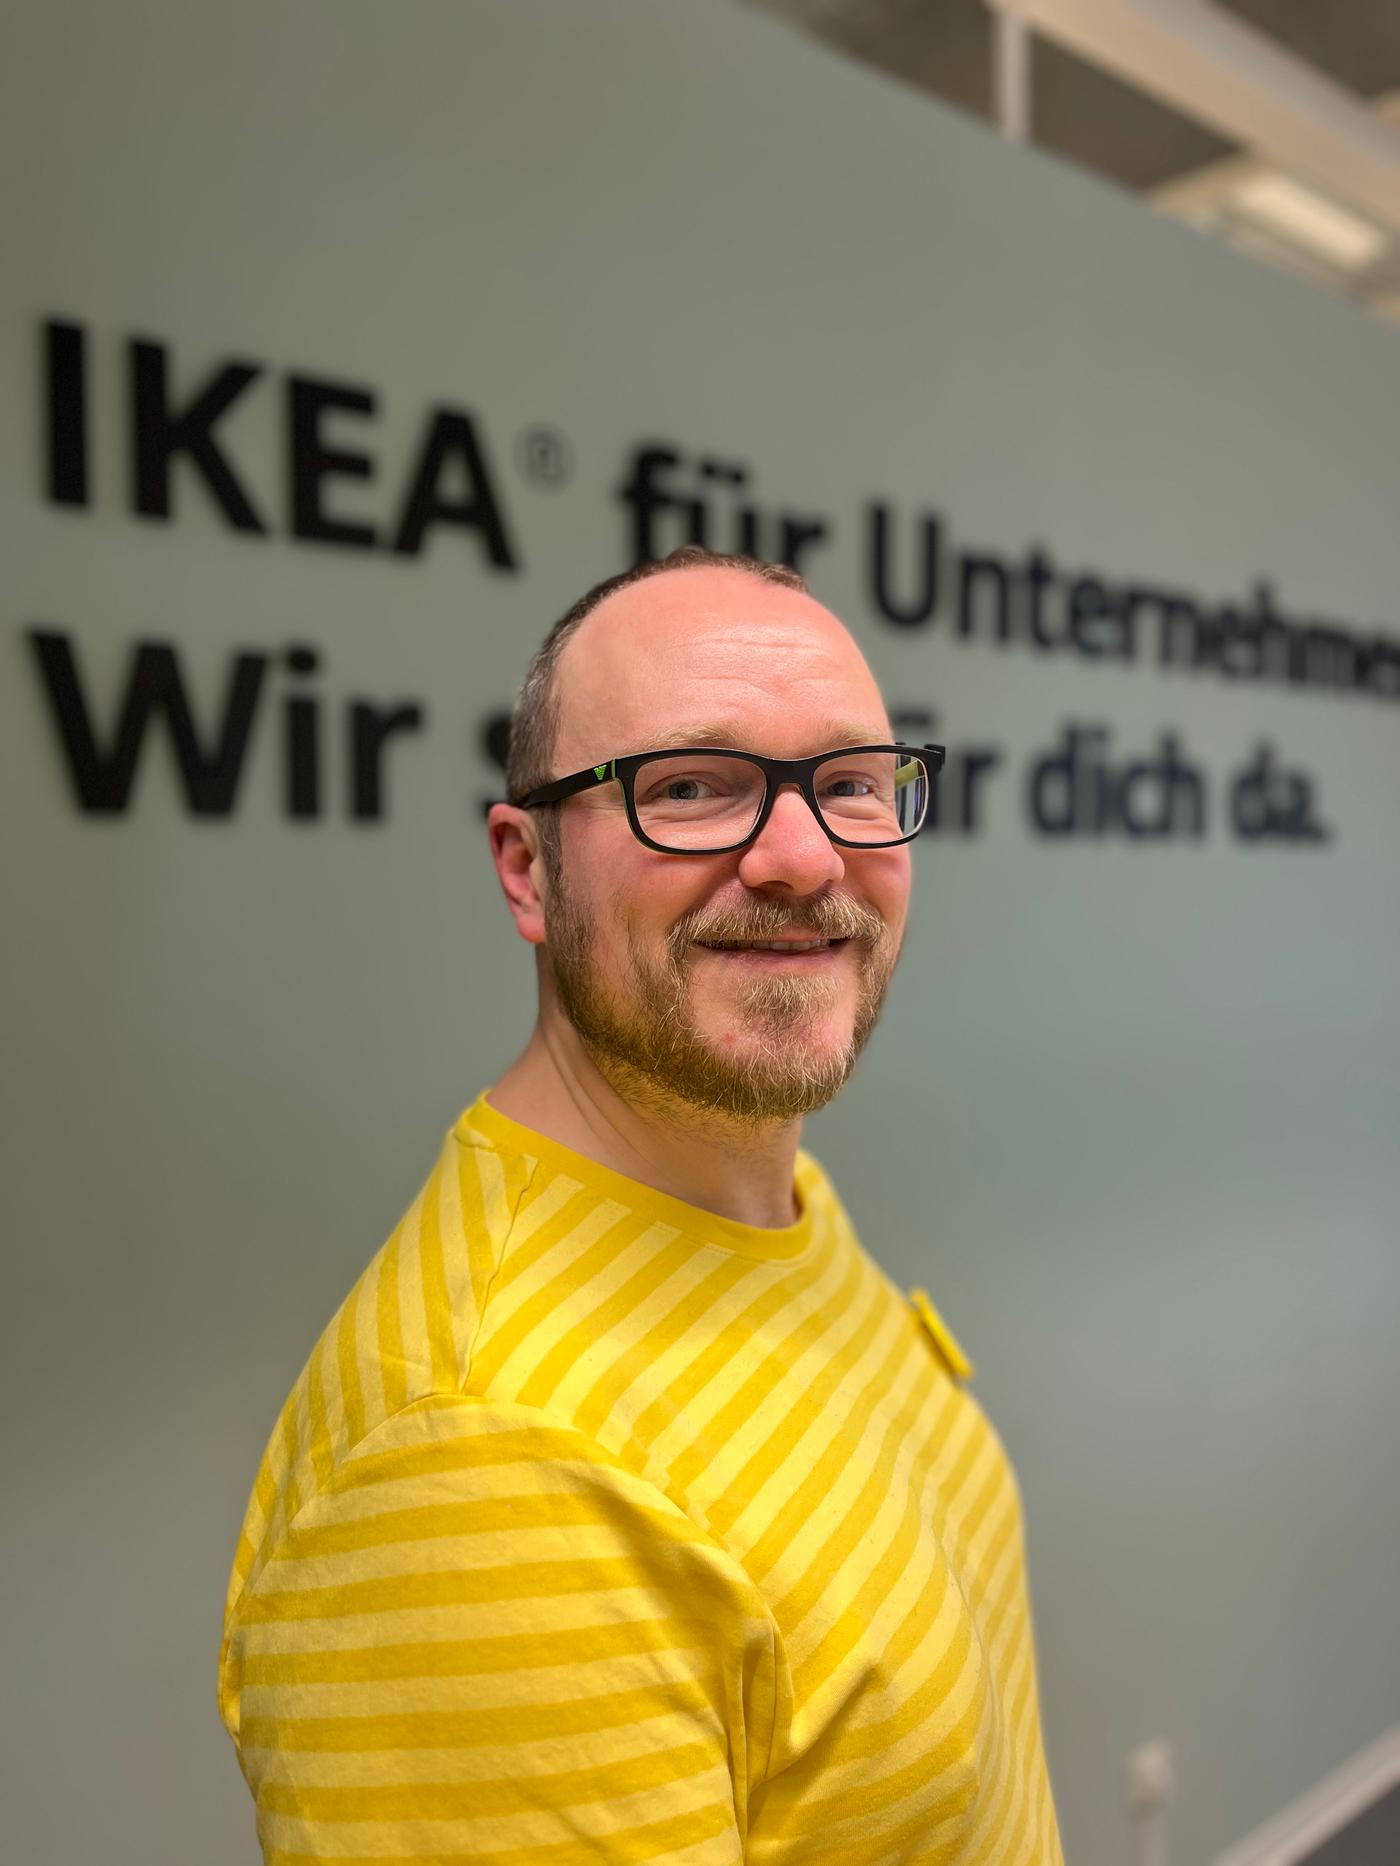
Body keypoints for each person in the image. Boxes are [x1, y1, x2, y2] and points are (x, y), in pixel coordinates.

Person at [218, 545, 1064, 1864]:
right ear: (526, 868)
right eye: (690, 786)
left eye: (849, 783)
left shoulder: (763, 1193)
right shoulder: (478, 1470)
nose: (801, 855)